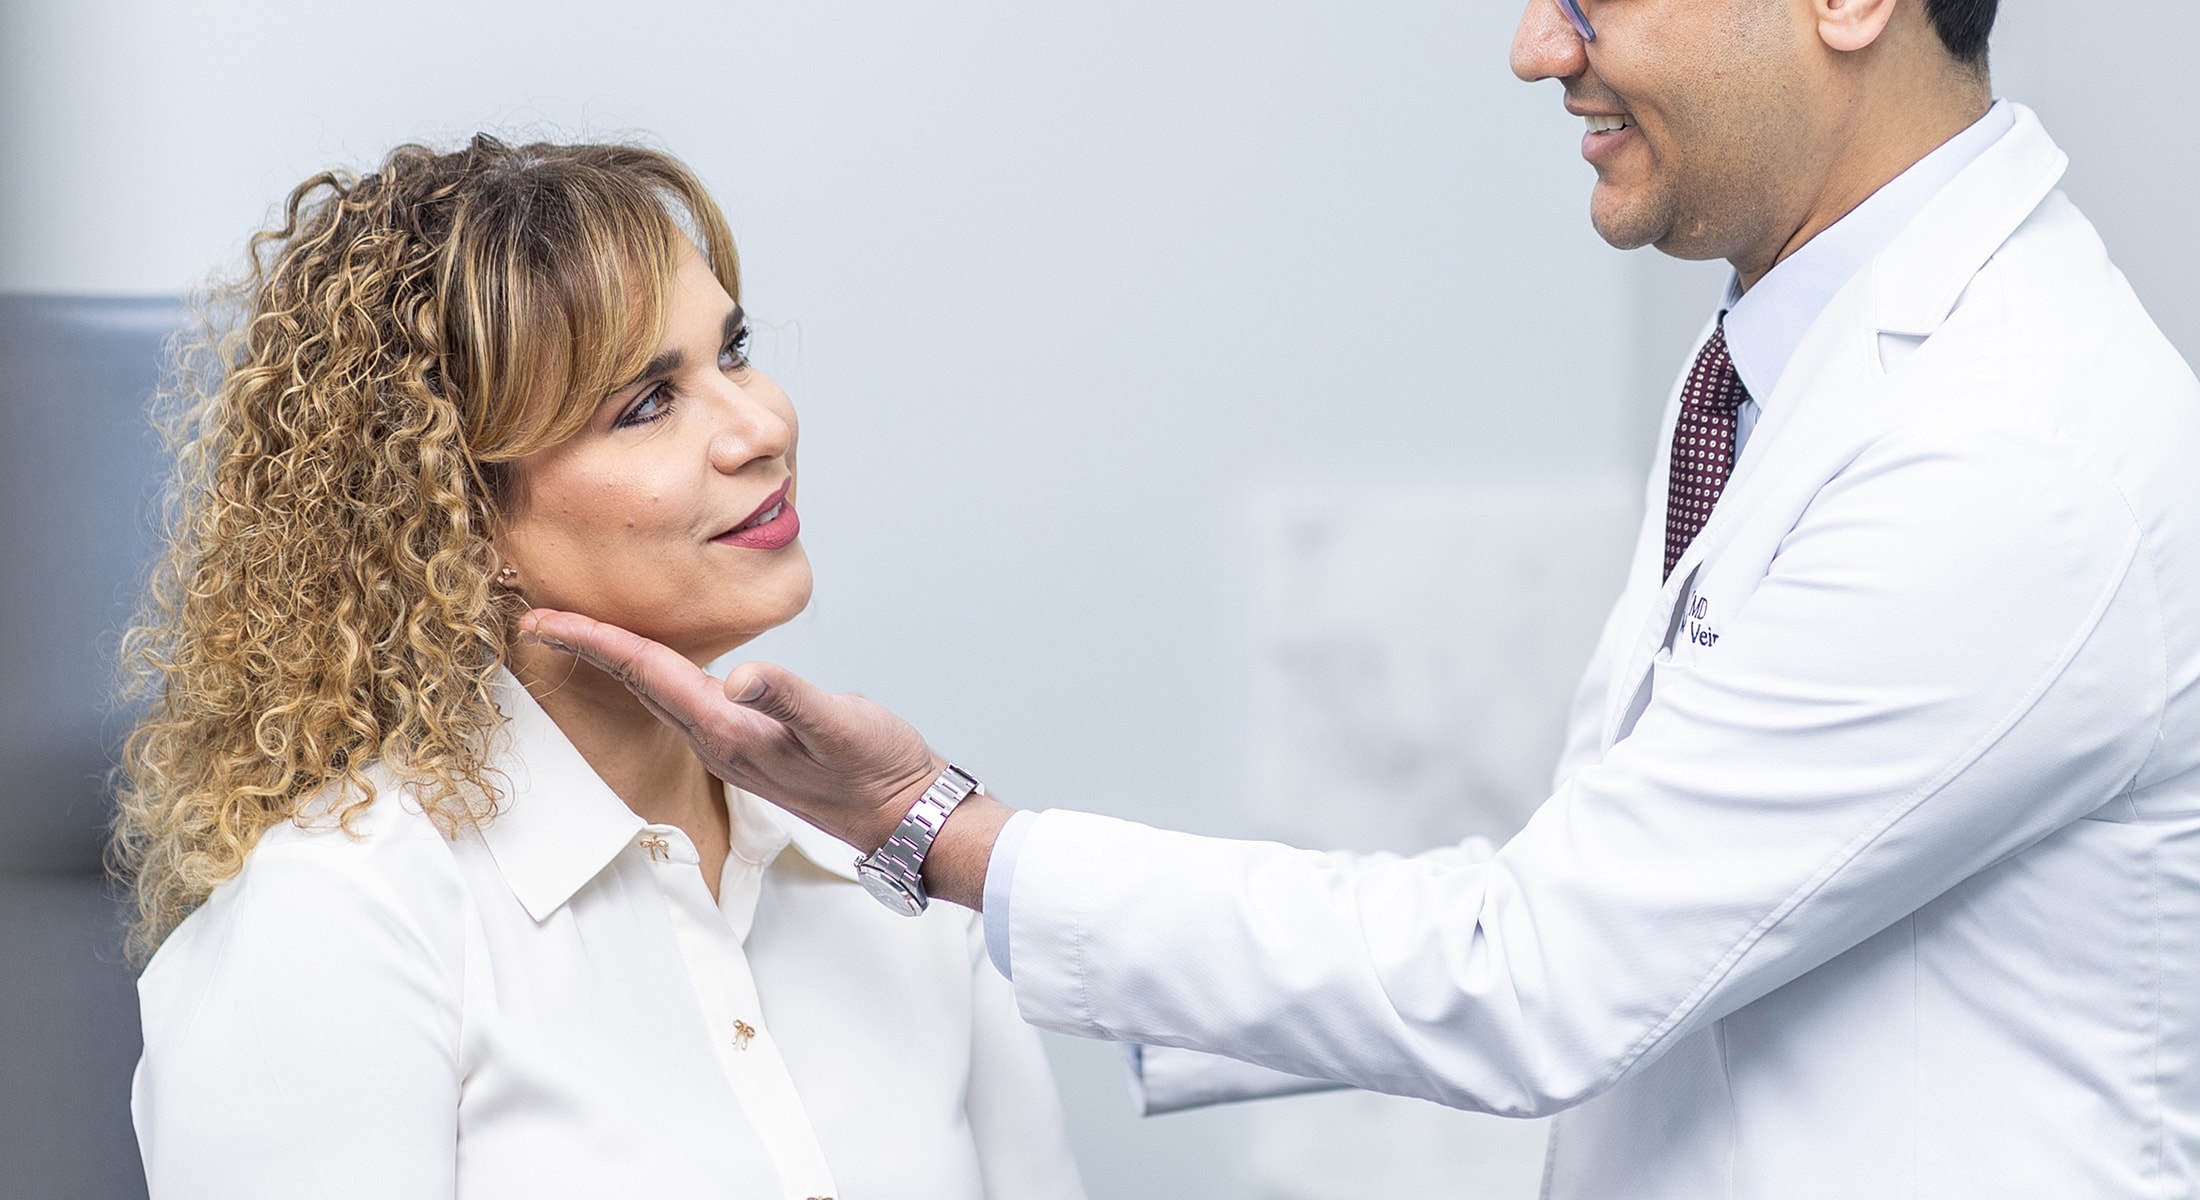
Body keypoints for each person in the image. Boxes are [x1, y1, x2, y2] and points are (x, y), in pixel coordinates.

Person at [526, 0, 2200, 1196]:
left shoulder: (2012, 451)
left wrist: (940, 830)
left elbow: (1550, 975)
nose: (1537, 47)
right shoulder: (1786, 359)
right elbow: (1642, 924)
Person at [114, 135, 1085, 1200]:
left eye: (736, 350)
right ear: (457, 517)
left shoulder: (890, 856)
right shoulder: (340, 922)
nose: (762, 427)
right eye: (648, 404)